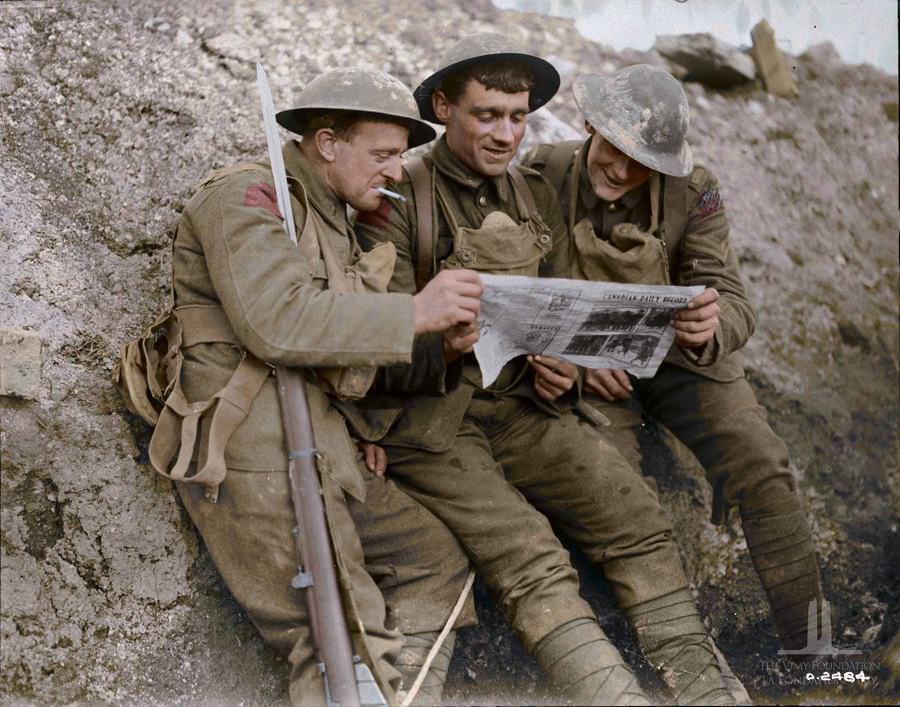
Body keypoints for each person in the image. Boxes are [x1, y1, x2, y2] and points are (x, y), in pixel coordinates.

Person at [357, 34, 736, 706]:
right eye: (486, 115)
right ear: (443, 107)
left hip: (521, 407)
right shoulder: (396, 203)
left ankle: (708, 690)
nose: (505, 134)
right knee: (530, 554)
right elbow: (364, 353)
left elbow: (558, 303)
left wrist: (561, 363)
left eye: (518, 116)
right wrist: (441, 347)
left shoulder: (532, 194)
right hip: (431, 422)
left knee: (635, 515)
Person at [149, 67, 483, 706]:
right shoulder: (249, 196)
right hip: (252, 444)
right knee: (333, 631)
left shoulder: (334, 215)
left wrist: (358, 426)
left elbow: (327, 348)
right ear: (327, 143)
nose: (393, 172)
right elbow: (278, 322)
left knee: (432, 560)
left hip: (320, 439)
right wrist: (416, 314)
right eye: (382, 155)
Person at [523, 63, 825, 655]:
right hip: (592, 373)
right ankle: (651, 656)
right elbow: (516, 295)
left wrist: (712, 324)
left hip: (679, 358)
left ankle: (814, 651)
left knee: (761, 462)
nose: (623, 170)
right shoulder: (537, 178)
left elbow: (732, 297)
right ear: (589, 125)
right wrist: (574, 355)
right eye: (613, 149)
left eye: (644, 163)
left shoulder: (698, 190)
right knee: (613, 486)